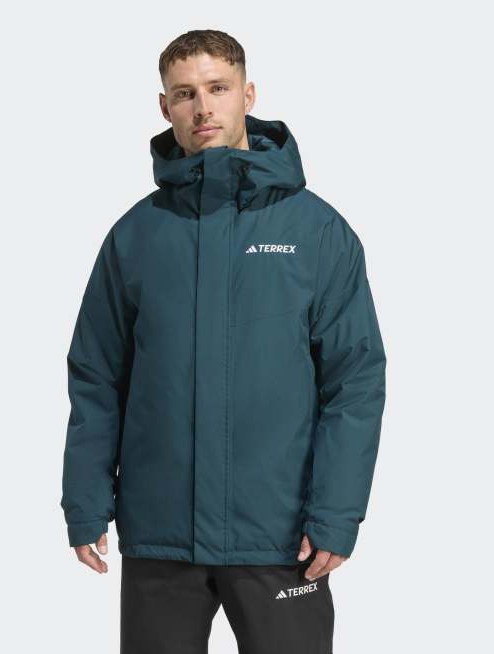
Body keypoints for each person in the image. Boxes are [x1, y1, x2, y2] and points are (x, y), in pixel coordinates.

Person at [60, 28, 387, 654]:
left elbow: (355, 382)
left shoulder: (317, 232)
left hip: (282, 536)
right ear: (165, 107)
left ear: (248, 94)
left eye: (218, 88)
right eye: (185, 93)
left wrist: (336, 513)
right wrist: (85, 499)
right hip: (160, 534)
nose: (203, 107)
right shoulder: (135, 235)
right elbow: (96, 375)